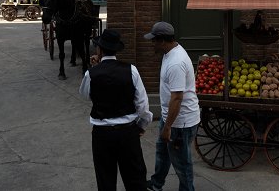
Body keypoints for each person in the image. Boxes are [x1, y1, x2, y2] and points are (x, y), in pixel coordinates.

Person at [79, 29, 153, 190]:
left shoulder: (91, 74)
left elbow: (86, 95)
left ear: (100, 49)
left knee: (105, 179)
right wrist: (141, 126)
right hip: (127, 132)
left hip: (102, 134)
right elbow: (143, 106)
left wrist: (96, 70)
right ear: (116, 49)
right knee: (135, 178)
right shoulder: (131, 70)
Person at [145, 22, 199, 191]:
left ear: (162, 41)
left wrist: (168, 126)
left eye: (154, 40)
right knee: (162, 152)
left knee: (182, 164)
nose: (152, 43)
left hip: (179, 123)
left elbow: (177, 98)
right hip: (170, 118)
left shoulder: (176, 62)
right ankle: (156, 183)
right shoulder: (170, 52)